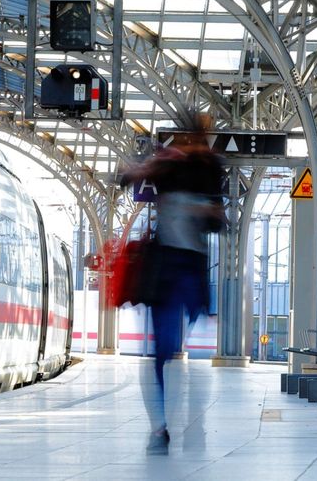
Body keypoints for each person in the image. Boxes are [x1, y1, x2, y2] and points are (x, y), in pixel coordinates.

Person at [118, 111, 225, 453]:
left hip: (187, 267)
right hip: (169, 268)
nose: (196, 143)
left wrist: (207, 213)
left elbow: (218, 220)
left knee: (180, 347)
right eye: (195, 137)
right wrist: (141, 168)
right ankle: (161, 426)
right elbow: (124, 177)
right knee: (163, 349)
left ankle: (179, 422)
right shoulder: (170, 163)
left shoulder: (209, 167)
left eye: (199, 138)